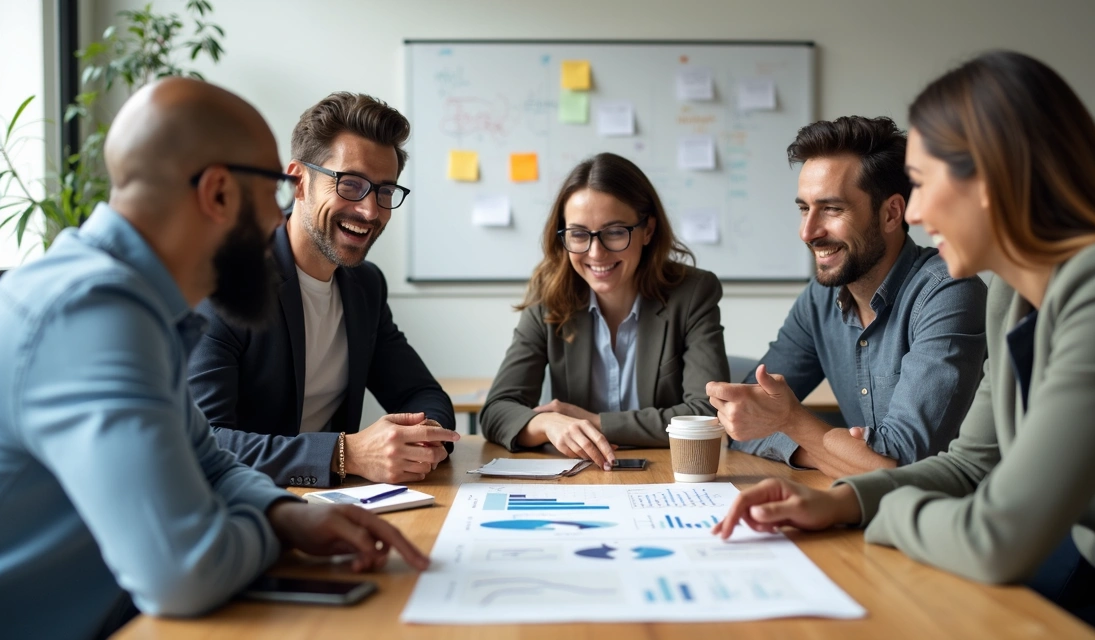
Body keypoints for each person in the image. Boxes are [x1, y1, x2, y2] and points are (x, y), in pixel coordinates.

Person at [713, 51, 1095, 640]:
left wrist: (876, 504)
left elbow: (995, 539)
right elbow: (971, 464)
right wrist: (841, 502)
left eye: (922, 185)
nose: (917, 213)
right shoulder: (1011, 295)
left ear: (994, 179)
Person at [0, 78, 429, 639]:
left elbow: (207, 457)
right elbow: (186, 570)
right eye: (275, 186)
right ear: (220, 193)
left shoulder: (145, 304)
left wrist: (290, 513)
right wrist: (278, 529)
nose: (279, 214)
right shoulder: (94, 314)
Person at [188, 92, 458, 488]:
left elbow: (421, 393)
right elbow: (203, 442)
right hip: (245, 508)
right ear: (298, 181)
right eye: (351, 185)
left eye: (385, 191)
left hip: (334, 507)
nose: (370, 211)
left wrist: (422, 439)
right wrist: (345, 454)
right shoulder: (226, 282)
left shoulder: (365, 285)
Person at [707, 116, 988, 478]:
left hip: (954, 518)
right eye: (804, 208)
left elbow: (904, 464)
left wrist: (791, 421)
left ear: (891, 213)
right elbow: (742, 421)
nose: (808, 232)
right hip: (867, 509)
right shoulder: (820, 301)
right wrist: (833, 454)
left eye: (832, 209)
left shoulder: (949, 292)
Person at [480, 153, 729, 469]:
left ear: (648, 230)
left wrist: (596, 422)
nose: (596, 253)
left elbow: (707, 414)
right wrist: (548, 424)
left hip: (668, 474)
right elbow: (497, 410)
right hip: (582, 477)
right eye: (579, 234)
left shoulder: (692, 293)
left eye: (614, 232)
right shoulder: (549, 297)